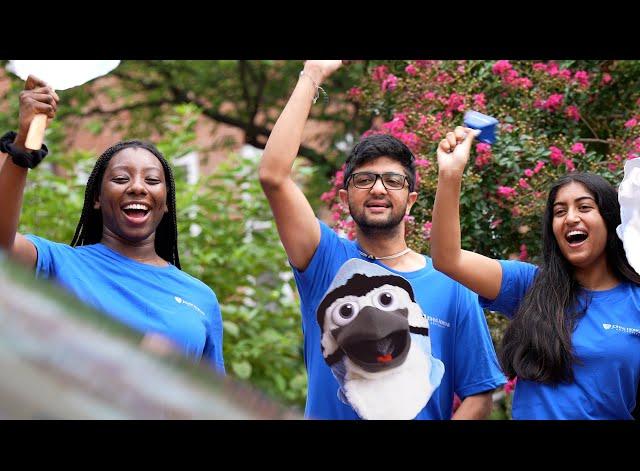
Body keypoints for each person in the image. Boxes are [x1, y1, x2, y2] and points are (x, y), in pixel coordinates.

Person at [259, 60, 505, 419]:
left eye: (393, 180)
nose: (378, 188)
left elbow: (478, 394)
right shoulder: (324, 260)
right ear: (344, 197)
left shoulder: (454, 284)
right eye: (364, 180)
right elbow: (273, 176)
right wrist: (312, 73)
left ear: (412, 199)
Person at [0, 75, 224, 373]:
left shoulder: (201, 298)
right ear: (97, 198)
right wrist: (23, 146)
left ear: (166, 201)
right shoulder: (59, 265)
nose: (137, 187)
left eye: (153, 180)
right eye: (120, 179)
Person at [430, 126, 640, 419]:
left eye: (584, 207)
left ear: (608, 220)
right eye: (559, 211)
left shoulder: (636, 301)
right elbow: (447, 258)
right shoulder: (530, 285)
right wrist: (450, 174)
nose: (571, 218)